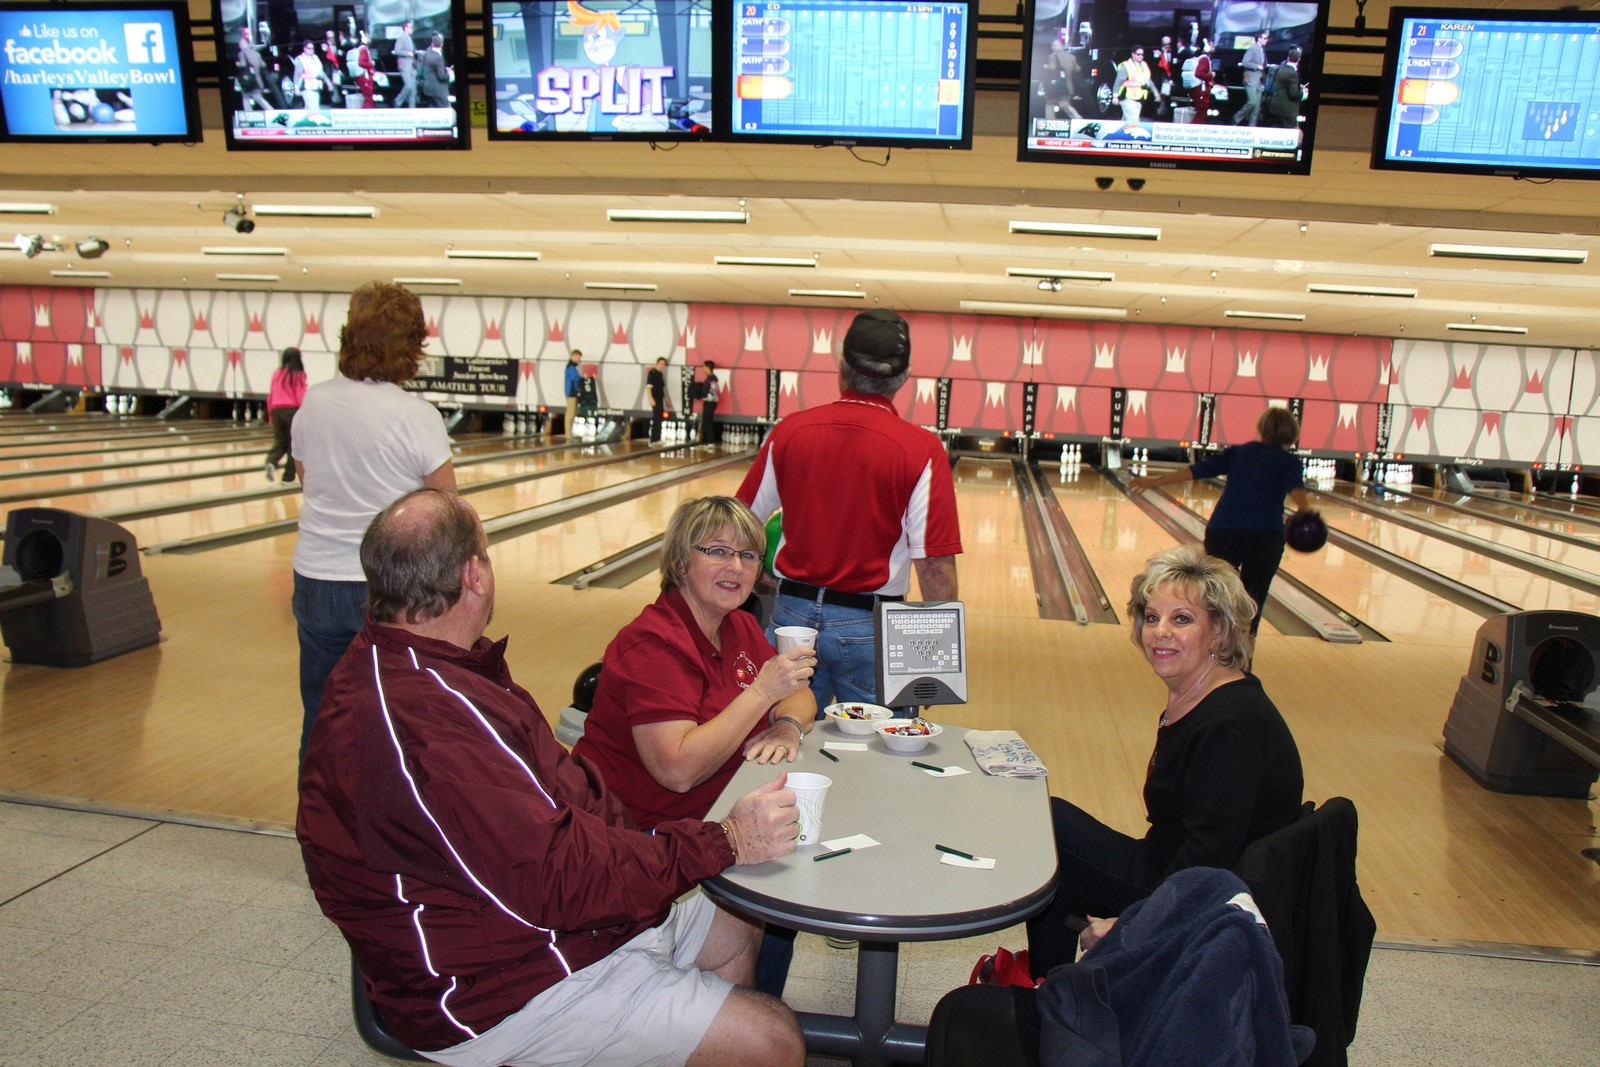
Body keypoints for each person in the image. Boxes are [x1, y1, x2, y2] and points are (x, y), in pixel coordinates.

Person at [298, 488, 806, 1067]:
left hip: (548, 919)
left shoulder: (448, 668)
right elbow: (553, 877)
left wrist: (662, 855)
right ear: (474, 576)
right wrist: (721, 841)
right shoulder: (424, 717)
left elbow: (569, 805)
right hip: (496, 986)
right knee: (772, 1040)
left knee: (736, 915)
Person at [1024, 544, 1304, 978]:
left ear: (1219, 631)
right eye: (1152, 618)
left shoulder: (1226, 728)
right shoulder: (1206, 694)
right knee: (1059, 874)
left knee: (1050, 821)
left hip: (1208, 897)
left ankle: (1050, 995)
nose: (1160, 632)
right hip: (1171, 865)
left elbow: (1207, 864)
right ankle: (1047, 995)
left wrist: (1131, 925)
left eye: (1182, 619)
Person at [737, 309, 962, 707]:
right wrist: (932, 667)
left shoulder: (790, 431)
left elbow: (739, 523)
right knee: (879, 740)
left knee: (780, 735)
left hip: (791, 617)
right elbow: (933, 563)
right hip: (869, 626)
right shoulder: (921, 449)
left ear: (841, 367)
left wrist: (761, 577)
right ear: (904, 377)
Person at [574, 495, 818, 828]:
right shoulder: (652, 645)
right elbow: (677, 772)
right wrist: (763, 692)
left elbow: (798, 692)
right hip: (641, 835)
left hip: (723, 809)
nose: (736, 567)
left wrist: (786, 727)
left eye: (748, 555)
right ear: (680, 563)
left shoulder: (740, 625)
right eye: (718, 551)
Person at [290, 281, 457, 763]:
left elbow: (306, 477)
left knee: (322, 715)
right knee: (392, 720)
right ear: (410, 346)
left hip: (316, 578)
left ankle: (319, 811)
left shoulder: (313, 402)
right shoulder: (415, 415)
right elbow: (447, 507)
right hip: (387, 584)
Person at [1129, 406, 1315, 637]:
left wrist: (1157, 481)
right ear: (1293, 433)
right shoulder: (1290, 462)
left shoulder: (1239, 452)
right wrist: (1306, 510)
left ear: (1261, 428)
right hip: (1265, 535)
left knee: (1213, 595)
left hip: (1225, 530)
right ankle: (1243, 652)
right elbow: (1296, 489)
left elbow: (1198, 470)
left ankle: (1209, 644)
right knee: (1254, 600)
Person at [264, 347, 306, 483]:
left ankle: (271, 462)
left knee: (280, 441)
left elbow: (271, 395)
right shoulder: (298, 374)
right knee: (293, 446)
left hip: (276, 410)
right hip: (291, 411)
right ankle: (288, 478)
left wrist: (270, 414)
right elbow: (300, 396)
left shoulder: (277, 373)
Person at [1111, 46, 1159, 124]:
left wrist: (1156, 92)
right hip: (1127, 99)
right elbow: (1118, 81)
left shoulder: (1144, 65)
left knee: (1126, 122)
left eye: (1142, 54)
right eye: (1138, 54)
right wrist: (1115, 96)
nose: (1141, 56)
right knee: (1133, 122)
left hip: (1139, 99)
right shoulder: (1126, 66)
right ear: (1133, 54)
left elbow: (1148, 80)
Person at [1235, 29, 1269, 126]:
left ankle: (1252, 127)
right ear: (1259, 39)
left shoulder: (1262, 50)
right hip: (1251, 79)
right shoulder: (1252, 49)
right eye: (1265, 38)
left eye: (1266, 38)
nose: (1266, 40)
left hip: (1259, 80)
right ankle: (1236, 117)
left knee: (1256, 108)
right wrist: (1257, 66)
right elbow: (1245, 62)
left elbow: (1263, 64)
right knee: (1252, 102)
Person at [1266, 45, 1304, 128]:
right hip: (1286, 111)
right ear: (1299, 59)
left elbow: (1281, 84)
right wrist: (1303, 93)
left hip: (1274, 108)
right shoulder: (1293, 73)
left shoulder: (1278, 68)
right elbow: (1293, 94)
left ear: (1288, 58)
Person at [235, 26, 271, 111]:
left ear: (241, 46)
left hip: (248, 81)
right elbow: (264, 65)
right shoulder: (257, 54)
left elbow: (243, 64)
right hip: (258, 81)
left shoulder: (241, 54)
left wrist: (238, 64)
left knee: (246, 98)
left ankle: (249, 114)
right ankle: (271, 111)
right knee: (259, 98)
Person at [1183, 38, 1217, 123]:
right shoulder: (1204, 59)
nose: (1214, 47)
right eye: (1212, 45)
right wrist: (1211, 75)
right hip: (1200, 90)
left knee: (1201, 112)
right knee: (1201, 112)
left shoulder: (1201, 58)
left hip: (1198, 88)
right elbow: (1198, 73)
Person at [419, 32, 451, 108]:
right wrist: (449, 74)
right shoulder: (438, 58)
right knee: (445, 110)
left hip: (428, 90)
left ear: (432, 44)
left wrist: (443, 69)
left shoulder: (427, 53)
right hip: (438, 91)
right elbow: (442, 76)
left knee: (432, 111)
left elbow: (431, 68)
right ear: (441, 44)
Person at [292, 40, 325, 112]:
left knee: (309, 109)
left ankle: (305, 119)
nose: (312, 50)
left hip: (316, 87)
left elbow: (321, 72)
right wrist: (296, 88)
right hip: (306, 88)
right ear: (305, 49)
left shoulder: (316, 58)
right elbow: (296, 75)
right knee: (314, 108)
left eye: (312, 48)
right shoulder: (301, 59)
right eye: (309, 48)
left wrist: (328, 82)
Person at [392, 19, 417, 108]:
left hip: (412, 67)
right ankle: (397, 101)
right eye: (410, 27)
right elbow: (397, 50)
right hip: (405, 66)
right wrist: (408, 53)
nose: (412, 29)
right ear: (405, 28)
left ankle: (412, 109)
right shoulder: (401, 38)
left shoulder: (409, 38)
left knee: (413, 91)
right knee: (408, 86)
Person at [647, 355, 670, 442]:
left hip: (660, 399)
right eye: (660, 363)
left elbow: (661, 388)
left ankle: (657, 438)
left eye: (663, 364)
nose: (662, 365)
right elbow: (648, 386)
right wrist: (650, 398)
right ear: (657, 363)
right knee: (656, 418)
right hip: (655, 398)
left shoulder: (660, 374)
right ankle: (654, 439)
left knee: (659, 418)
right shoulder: (652, 372)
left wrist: (666, 399)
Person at [698, 359, 721, 445]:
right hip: (712, 403)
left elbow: (705, 391)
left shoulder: (710, 379)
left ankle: (710, 442)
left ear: (708, 367)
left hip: (710, 403)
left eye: (704, 366)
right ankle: (710, 441)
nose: (703, 368)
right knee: (708, 421)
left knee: (707, 422)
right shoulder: (713, 378)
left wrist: (699, 394)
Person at [563, 349, 583, 436]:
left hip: (573, 392)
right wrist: (583, 379)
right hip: (571, 392)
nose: (579, 359)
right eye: (578, 357)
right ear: (574, 356)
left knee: (573, 413)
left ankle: (570, 434)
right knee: (570, 414)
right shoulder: (571, 367)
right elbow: (575, 378)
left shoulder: (573, 366)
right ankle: (568, 435)